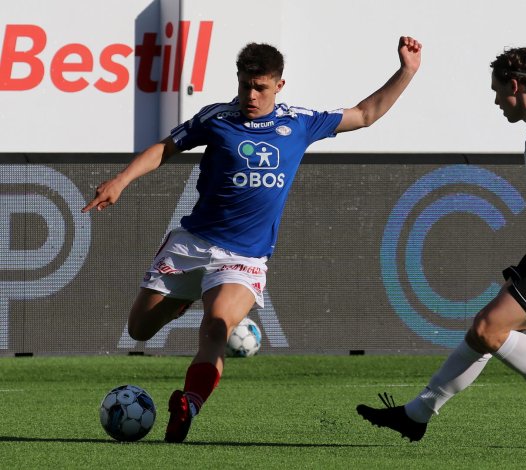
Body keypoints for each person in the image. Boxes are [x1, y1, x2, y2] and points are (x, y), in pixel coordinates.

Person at [82, 36, 423, 443]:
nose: (251, 95)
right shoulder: (217, 118)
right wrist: (120, 181)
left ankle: (188, 402)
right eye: (245, 85)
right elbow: (165, 147)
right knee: (139, 329)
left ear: (279, 86)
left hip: (243, 258)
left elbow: (366, 114)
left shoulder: (300, 122)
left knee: (216, 328)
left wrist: (407, 70)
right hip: (192, 244)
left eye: (260, 87)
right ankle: (184, 298)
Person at [357, 46, 526, 448]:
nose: (497, 100)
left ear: (515, 86)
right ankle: (416, 415)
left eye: (498, 90)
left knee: (489, 328)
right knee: (484, 332)